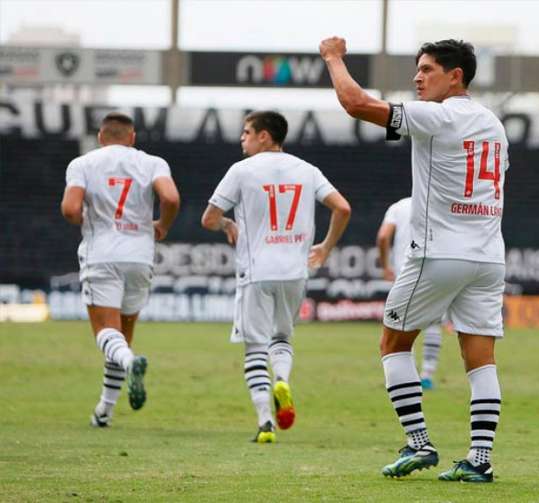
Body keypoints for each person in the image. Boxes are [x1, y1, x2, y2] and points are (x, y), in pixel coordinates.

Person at [321, 37, 508, 482]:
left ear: (455, 75)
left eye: (426, 70)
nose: (417, 78)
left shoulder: (438, 116)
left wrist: (333, 57)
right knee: (480, 358)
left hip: (440, 252)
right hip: (488, 256)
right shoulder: (493, 124)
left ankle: (419, 443)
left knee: (392, 344)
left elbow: (355, 103)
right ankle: (480, 461)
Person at [201, 111, 351, 443]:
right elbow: (343, 208)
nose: (243, 139)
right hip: (295, 272)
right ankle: (281, 379)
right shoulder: (308, 170)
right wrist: (325, 248)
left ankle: (265, 422)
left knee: (255, 348)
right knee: (282, 338)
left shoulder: (241, 171)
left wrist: (227, 224)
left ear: (264, 136)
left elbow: (209, 218)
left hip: (256, 273)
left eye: (247, 132)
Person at [60, 111, 180, 427]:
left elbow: (71, 208)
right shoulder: (153, 162)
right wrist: (162, 227)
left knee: (106, 333)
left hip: (102, 253)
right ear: (132, 138)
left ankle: (131, 363)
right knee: (122, 334)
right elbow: (170, 197)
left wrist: (83, 220)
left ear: (101, 137)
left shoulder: (83, 164)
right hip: (140, 254)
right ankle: (104, 411)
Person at [377, 197, 443, 390]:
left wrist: (385, 266)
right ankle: (427, 374)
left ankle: (408, 374)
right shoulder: (438, 203)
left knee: (402, 325)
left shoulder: (398, 207)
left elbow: (383, 237)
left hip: (404, 272)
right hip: (434, 269)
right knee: (433, 322)